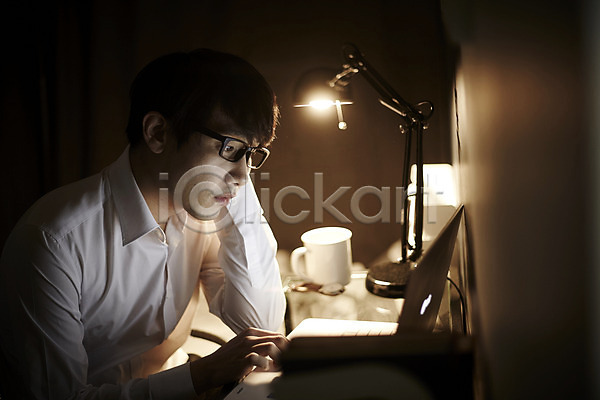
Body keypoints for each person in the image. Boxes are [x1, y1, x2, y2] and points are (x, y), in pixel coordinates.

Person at [0, 48, 287, 399]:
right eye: (229, 148)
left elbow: (261, 326)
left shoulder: (203, 211)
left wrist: (232, 186)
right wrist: (202, 375)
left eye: (253, 154)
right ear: (157, 133)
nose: (245, 175)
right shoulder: (53, 241)